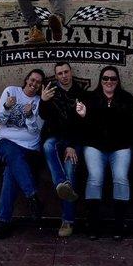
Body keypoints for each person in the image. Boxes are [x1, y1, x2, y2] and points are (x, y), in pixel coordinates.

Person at [76, 66, 133, 241]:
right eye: (106, 78)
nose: (109, 82)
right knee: (95, 177)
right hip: (95, 146)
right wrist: (84, 116)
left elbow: (132, 125)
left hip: (120, 146)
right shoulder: (90, 99)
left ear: (118, 81)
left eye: (113, 79)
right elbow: (85, 130)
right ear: (100, 80)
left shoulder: (126, 98)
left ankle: (119, 223)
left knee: (121, 178)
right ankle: (93, 223)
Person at [0, 69, 46, 239]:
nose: (34, 84)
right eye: (32, 79)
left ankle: (3, 221)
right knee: (13, 155)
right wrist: (8, 107)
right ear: (26, 79)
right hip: (5, 143)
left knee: (11, 171)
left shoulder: (39, 101)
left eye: (38, 82)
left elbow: (35, 130)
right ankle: (32, 195)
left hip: (29, 148)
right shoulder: (11, 91)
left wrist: (30, 114)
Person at [39, 62, 86, 237]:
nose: (64, 76)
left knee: (70, 170)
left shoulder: (81, 93)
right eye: (60, 73)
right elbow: (44, 116)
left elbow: (83, 123)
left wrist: (72, 145)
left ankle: (68, 221)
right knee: (47, 145)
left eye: (66, 72)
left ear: (71, 72)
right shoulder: (51, 91)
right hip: (56, 136)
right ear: (56, 76)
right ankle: (61, 183)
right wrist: (43, 101)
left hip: (74, 140)